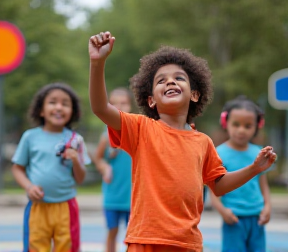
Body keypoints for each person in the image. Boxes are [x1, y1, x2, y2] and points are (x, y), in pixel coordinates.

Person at [88, 31, 276, 252]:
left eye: (179, 78)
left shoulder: (203, 142)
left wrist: (254, 169)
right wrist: (97, 63)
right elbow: (101, 108)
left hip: (187, 244)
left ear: (194, 94)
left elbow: (219, 185)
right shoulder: (140, 128)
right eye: (161, 80)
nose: (170, 81)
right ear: (151, 100)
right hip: (146, 239)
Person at [11, 82, 91, 252]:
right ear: (41, 110)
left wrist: (76, 160)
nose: (59, 107)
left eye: (65, 104)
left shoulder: (76, 140)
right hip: (38, 206)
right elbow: (17, 169)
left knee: (67, 248)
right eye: (53, 102)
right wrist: (29, 186)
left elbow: (81, 178)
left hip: (66, 208)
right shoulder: (30, 137)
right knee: (36, 247)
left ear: (73, 112)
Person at [209, 95, 273, 252]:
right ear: (225, 123)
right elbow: (213, 188)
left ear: (257, 126)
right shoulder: (219, 153)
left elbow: (263, 184)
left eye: (247, 126)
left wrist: (268, 207)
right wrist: (222, 211)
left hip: (257, 218)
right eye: (236, 124)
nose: (241, 130)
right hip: (234, 218)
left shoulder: (258, 153)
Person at [93, 87, 132, 252]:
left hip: (133, 197)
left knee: (133, 235)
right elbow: (98, 157)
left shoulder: (136, 131)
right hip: (113, 196)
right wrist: (104, 166)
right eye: (114, 103)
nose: (119, 107)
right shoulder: (106, 135)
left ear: (130, 106)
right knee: (112, 231)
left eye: (123, 103)